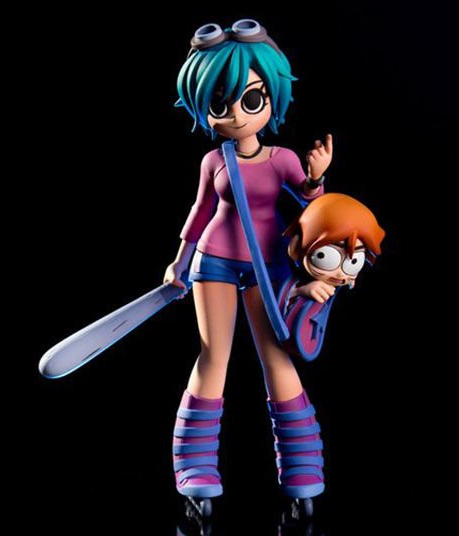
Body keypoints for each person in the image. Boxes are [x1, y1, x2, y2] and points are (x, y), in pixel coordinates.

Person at [162, 19, 332, 503]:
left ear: (271, 96)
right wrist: (180, 261)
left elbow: (312, 211)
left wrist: (315, 179)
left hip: (267, 265)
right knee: (213, 356)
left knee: (276, 357)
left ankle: (301, 466)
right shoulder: (213, 161)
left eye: (251, 99)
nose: (236, 113)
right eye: (219, 103)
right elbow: (200, 212)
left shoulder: (282, 159)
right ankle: (195, 467)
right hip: (213, 260)